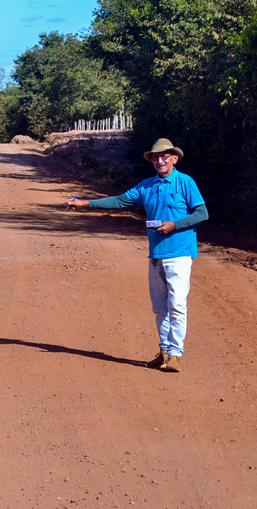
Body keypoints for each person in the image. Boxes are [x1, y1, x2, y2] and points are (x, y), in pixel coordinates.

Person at [65, 138, 208, 372]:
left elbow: (202, 213)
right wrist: (86, 204)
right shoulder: (147, 185)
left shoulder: (185, 182)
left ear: (175, 158)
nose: (159, 160)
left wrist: (175, 225)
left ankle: (175, 354)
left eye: (164, 156)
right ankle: (163, 352)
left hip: (180, 254)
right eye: (155, 157)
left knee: (178, 305)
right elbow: (120, 201)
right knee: (160, 307)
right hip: (156, 255)